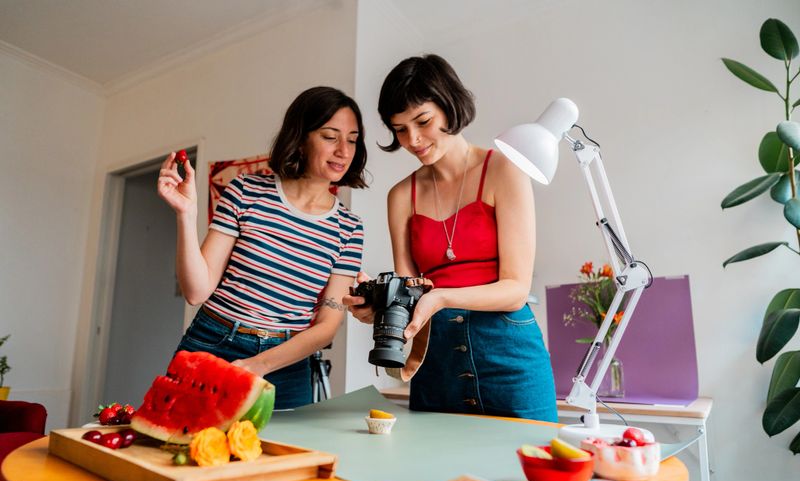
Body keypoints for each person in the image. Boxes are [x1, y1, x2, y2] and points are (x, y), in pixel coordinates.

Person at [345, 55, 557, 422]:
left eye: (423, 121)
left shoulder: (504, 170)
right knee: (439, 477)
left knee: (526, 471)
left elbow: (516, 289)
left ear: (449, 105)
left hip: (509, 354)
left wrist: (442, 296)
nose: (412, 140)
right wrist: (376, 309)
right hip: (436, 359)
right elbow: (412, 292)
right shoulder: (400, 197)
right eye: (399, 129)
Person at [157, 86, 367, 410]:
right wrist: (186, 215)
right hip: (214, 341)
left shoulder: (349, 228)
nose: (343, 150)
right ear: (300, 136)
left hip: (287, 364)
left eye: (352, 139)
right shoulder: (245, 190)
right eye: (330, 136)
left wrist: (259, 365)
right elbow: (196, 291)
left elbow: (327, 326)